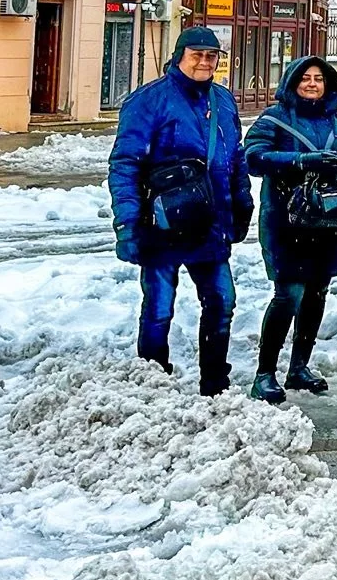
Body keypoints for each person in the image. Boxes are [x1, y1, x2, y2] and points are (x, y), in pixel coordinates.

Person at [108, 27, 252, 396]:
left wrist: (242, 202)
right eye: (196, 55)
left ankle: (215, 383)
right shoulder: (149, 101)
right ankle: (152, 384)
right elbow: (125, 164)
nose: (205, 62)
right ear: (178, 56)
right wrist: (127, 224)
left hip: (211, 225)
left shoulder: (223, 100)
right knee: (158, 310)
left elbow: (234, 158)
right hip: (162, 226)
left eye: (211, 56)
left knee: (222, 302)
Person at [243, 55, 337, 403]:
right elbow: (253, 156)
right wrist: (300, 161)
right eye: (305, 78)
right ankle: (264, 373)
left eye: (319, 79)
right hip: (287, 223)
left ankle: (298, 366)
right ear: (292, 83)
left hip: (329, 221)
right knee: (288, 295)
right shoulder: (275, 118)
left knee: (316, 293)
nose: (313, 84)